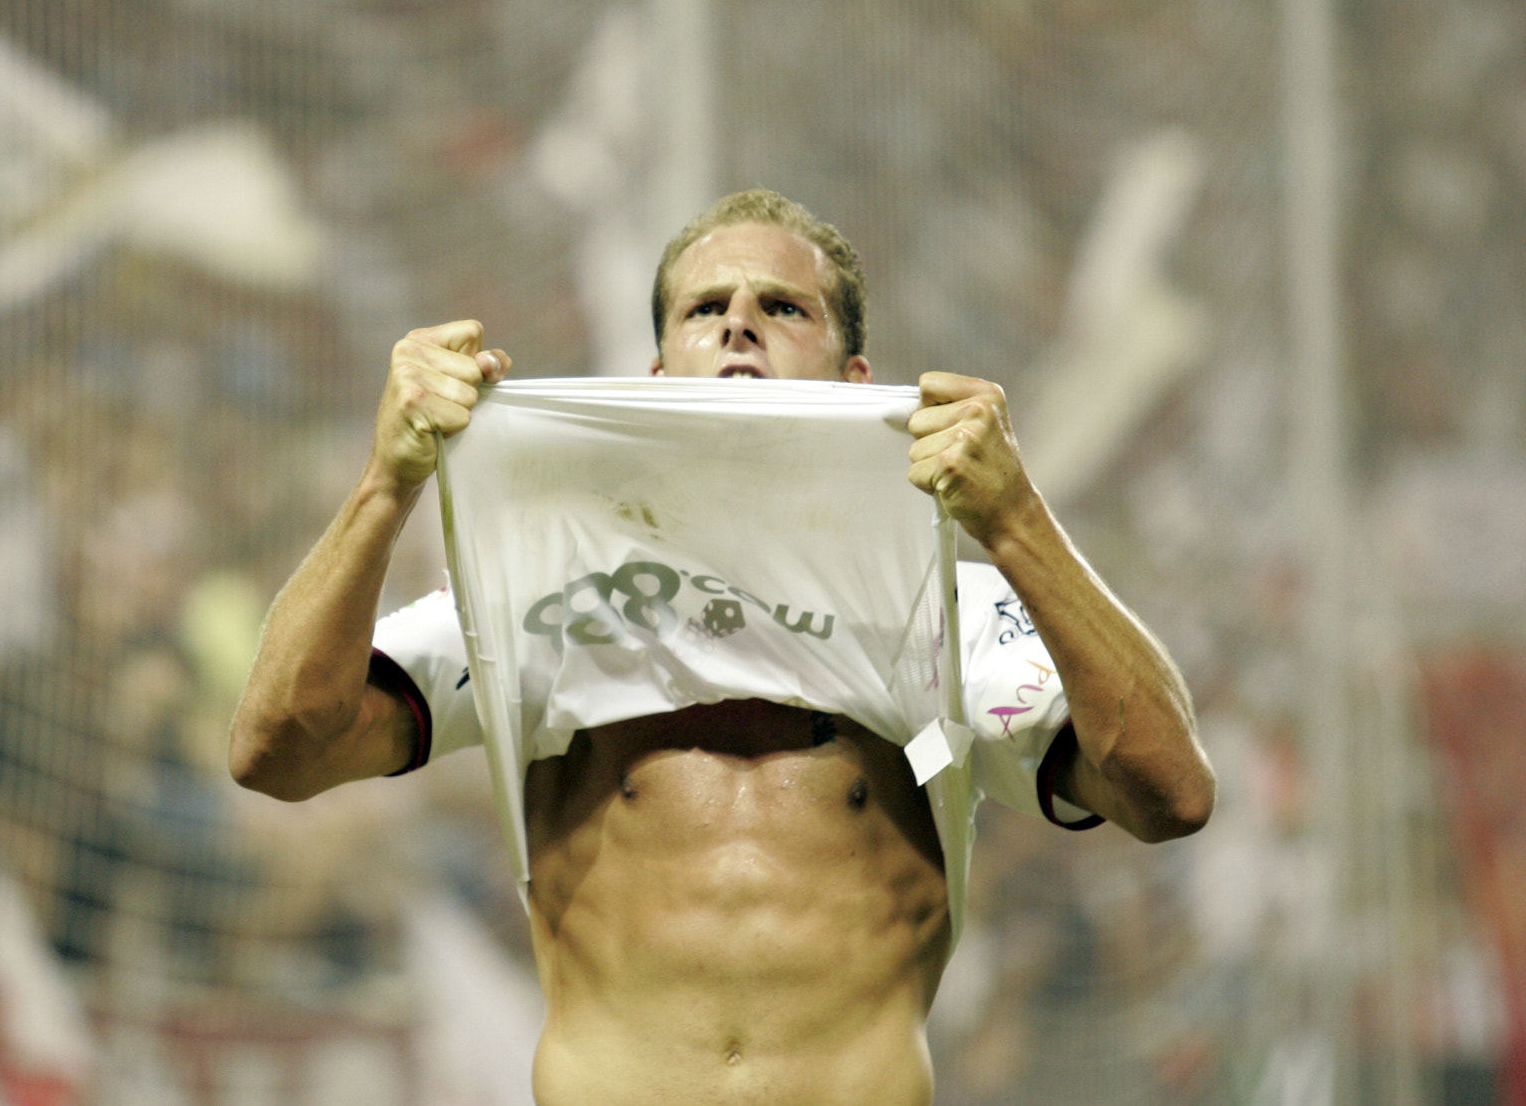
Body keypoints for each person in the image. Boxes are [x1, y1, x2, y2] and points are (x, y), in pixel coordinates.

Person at [230, 189, 1215, 1106]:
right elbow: (279, 749)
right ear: (657, 375)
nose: (738, 322)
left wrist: (1016, 522)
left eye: (782, 308)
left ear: (852, 376)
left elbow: (1169, 793)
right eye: (705, 308)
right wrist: (382, 484)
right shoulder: (543, 602)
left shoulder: (944, 618)